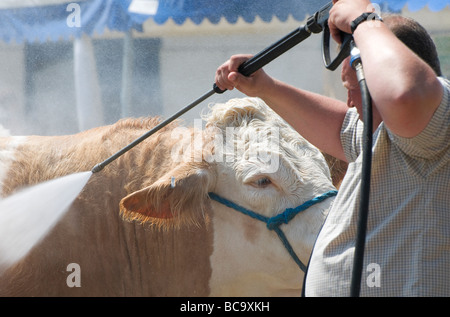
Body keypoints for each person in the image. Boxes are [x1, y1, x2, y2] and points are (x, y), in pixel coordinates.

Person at [215, 0, 449, 296]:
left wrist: (363, 20)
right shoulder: (385, 132)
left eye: (354, 89)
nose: (350, 102)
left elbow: (405, 94)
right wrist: (265, 87)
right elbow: (340, 127)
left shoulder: (433, 119)